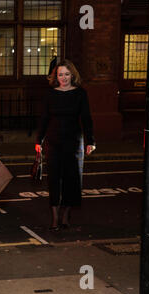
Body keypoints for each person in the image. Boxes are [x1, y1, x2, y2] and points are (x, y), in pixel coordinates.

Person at [35, 59, 96, 231]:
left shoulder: (80, 94)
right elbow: (44, 119)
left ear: (72, 75)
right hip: (53, 142)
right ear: (56, 76)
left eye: (67, 74)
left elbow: (86, 119)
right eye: (60, 74)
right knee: (54, 179)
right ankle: (54, 217)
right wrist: (38, 140)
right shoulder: (50, 94)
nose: (64, 78)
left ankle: (65, 214)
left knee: (72, 179)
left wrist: (90, 141)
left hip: (74, 142)